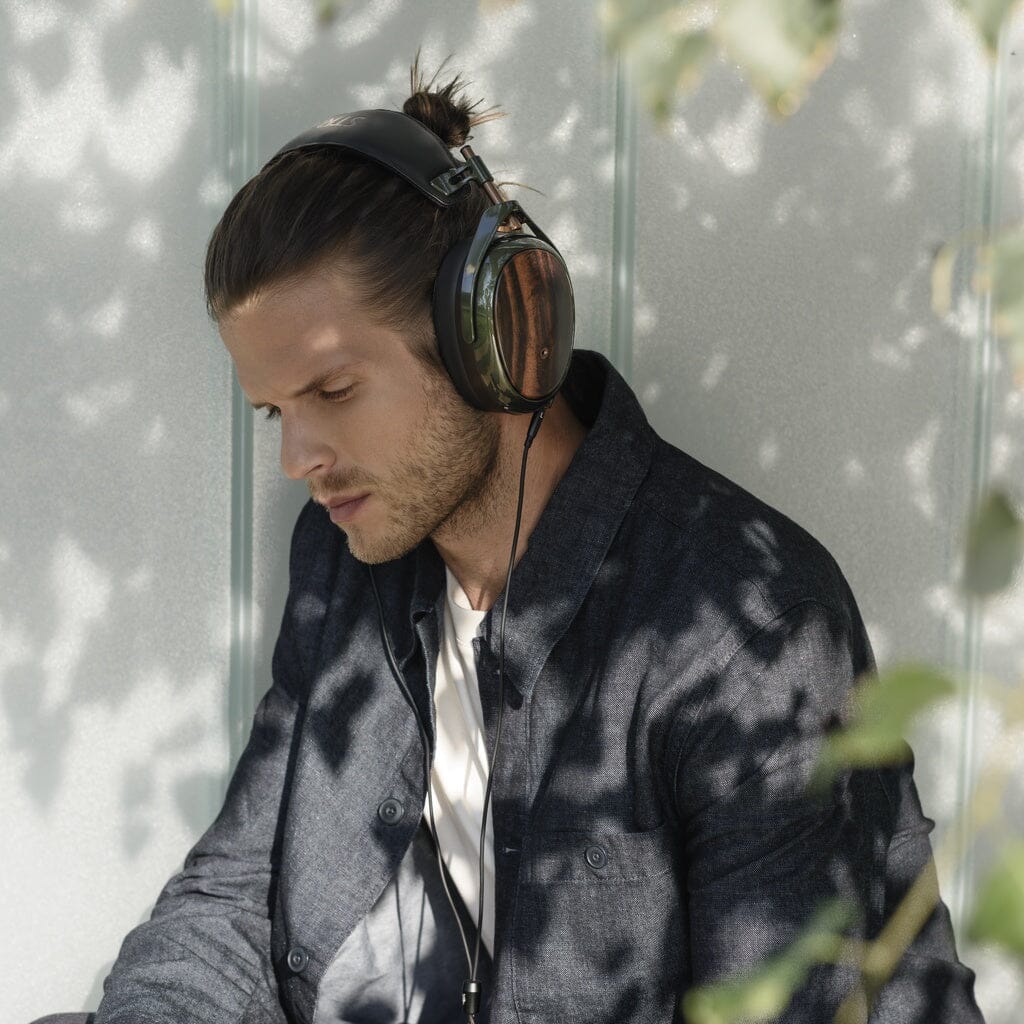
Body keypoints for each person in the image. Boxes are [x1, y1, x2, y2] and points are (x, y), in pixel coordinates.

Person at [33, 53, 985, 1024]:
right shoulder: (343, 552)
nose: (300, 459)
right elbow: (236, 891)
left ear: (493, 339)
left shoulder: (746, 629)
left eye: (333, 391)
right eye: (277, 412)